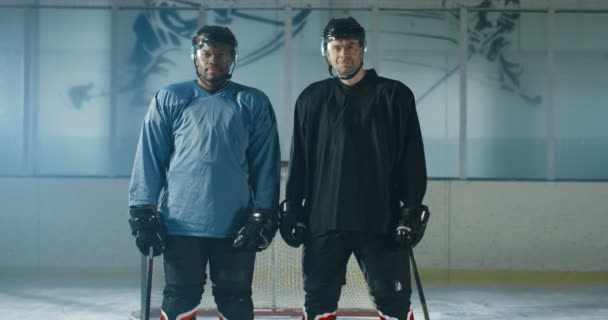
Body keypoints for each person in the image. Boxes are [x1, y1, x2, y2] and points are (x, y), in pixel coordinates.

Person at [279, 17, 430, 320]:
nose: (343, 54)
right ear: (326, 51)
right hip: (323, 220)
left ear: (362, 50)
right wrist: (293, 206)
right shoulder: (312, 98)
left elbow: (412, 158)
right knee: (319, 302)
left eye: (350, 46)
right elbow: (300, 161)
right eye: (336, 47)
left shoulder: (394, 95)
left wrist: (410, 208)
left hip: (381, 220)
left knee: (393, 302)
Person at [127, 25, 281, 320]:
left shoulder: (252, 101)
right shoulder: (170, 98)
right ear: (196, 58)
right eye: (207, 54)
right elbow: (150, 157)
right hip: (181, 223)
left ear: (232, 58)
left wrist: (265, 211)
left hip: (235, 223)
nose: (213, 60)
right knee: (179, 298)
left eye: (221, 54)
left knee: (235, 300)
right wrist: (142, 206)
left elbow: (266, 163)